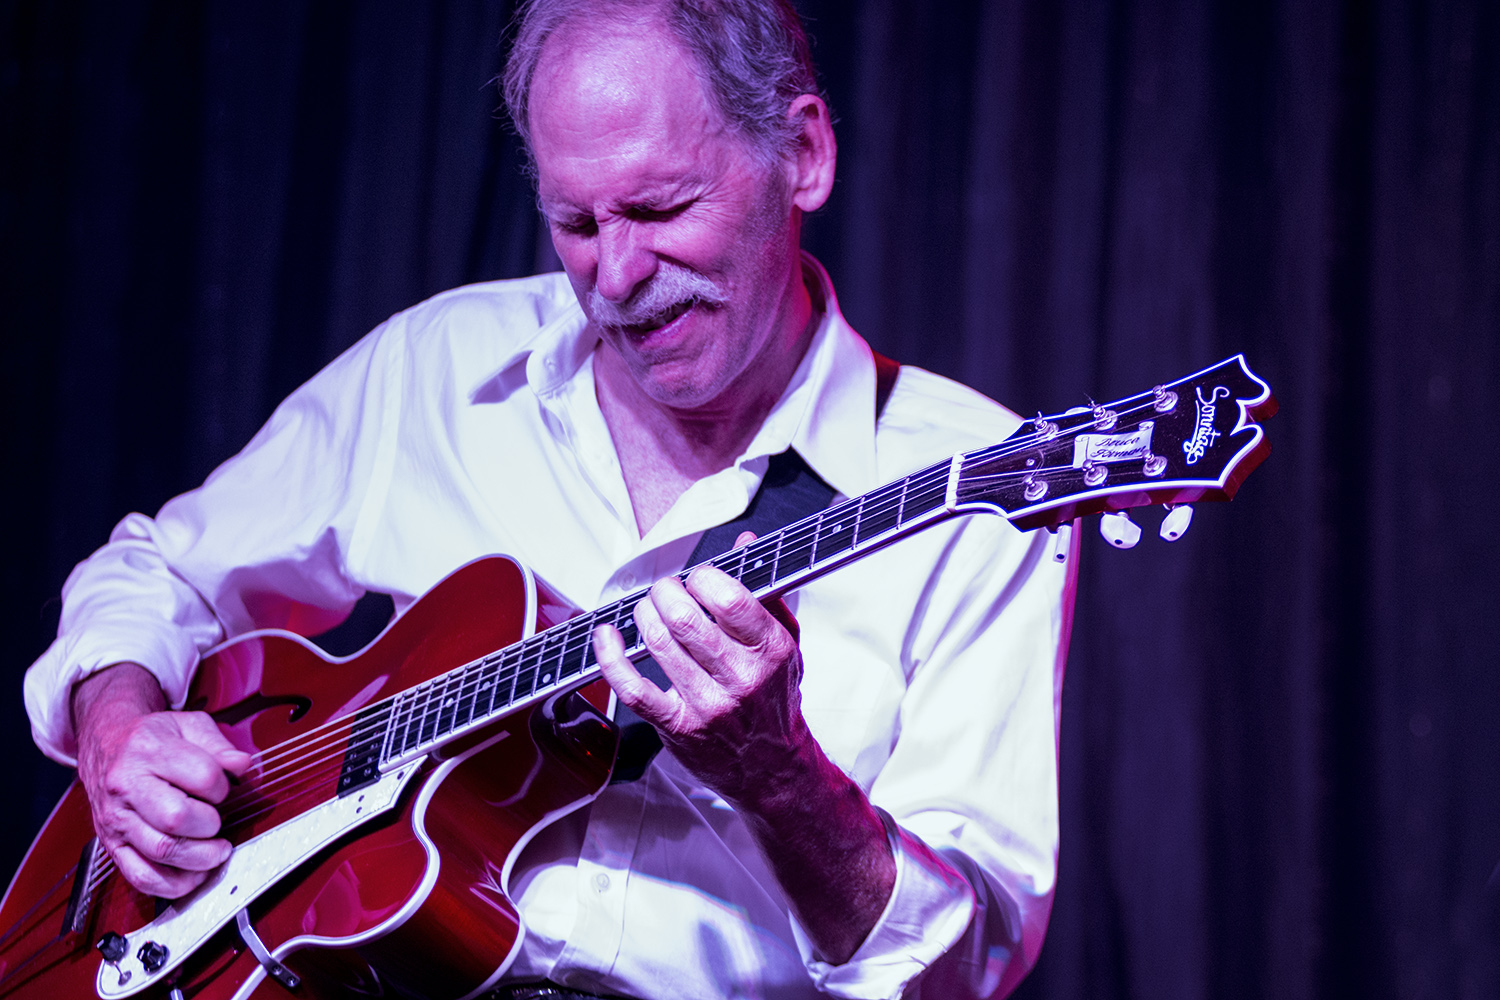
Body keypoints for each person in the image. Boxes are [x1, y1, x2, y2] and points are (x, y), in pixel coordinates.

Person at [23, 1, 1076, 998]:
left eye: (661, 207)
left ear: (802, 154)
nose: (616, 273)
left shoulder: (974, 482)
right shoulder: (440, 368)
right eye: (576, 221)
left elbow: (962, 965)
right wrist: (118, 727)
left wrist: (783, 778)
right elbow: (154, 569)